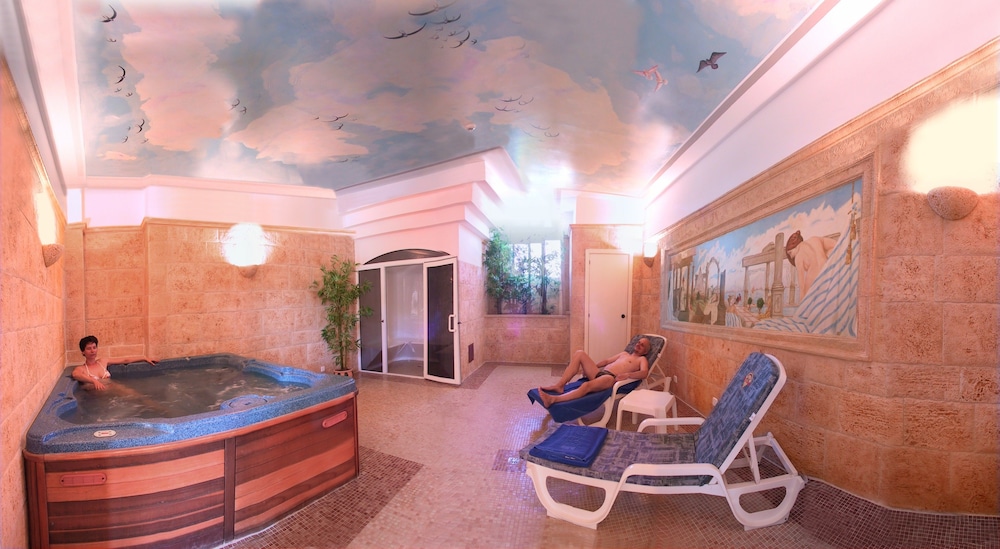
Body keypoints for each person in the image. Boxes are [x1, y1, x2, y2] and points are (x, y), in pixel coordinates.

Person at [537, 337, 651, 407]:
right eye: (638, 342)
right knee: (580, 353)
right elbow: (607, 361)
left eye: (642, 345)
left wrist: (628, 375)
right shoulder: (624, 354)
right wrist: (592, 367)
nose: (638, 345)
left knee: (586, 385)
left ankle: (553, 399)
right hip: (600, 373)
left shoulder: (641, 359)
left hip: (610, 378)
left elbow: (644, 373)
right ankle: (560, 385)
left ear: (645, 351)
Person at [71, 335, 157, 391]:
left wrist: (144, 358)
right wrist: (94, 381)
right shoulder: (82, 369)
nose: (92, 351)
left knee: (139, 397)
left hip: (115, 391)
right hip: (97, 399)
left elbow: (125, 360)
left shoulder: (102, 362)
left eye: (94, 347)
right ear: (83, 352)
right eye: (89, 348)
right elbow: (75, 375)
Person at [785, 230, 838, 298]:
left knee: (807, 297)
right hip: (829, 269)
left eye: (790, 253)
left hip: (815, 276)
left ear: (791, 250)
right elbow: (835, 245)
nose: (792, 256)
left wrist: (802, 299)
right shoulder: (814, 239)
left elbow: (801, 284)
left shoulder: (798, 257)